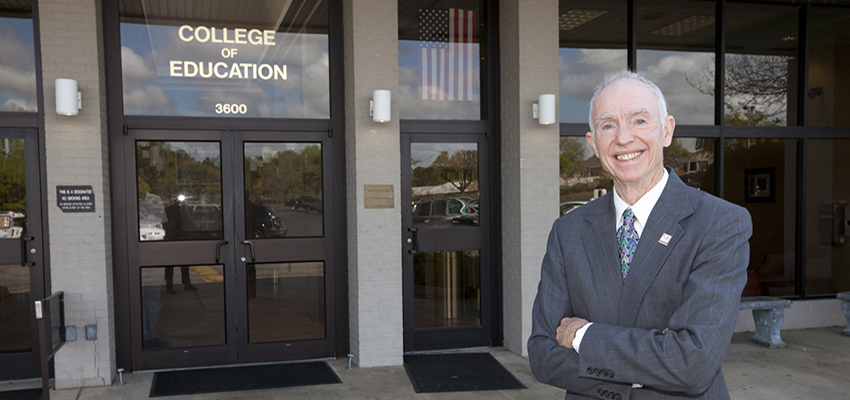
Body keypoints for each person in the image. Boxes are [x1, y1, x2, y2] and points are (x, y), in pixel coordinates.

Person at [528, 70, 752, 400]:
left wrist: (584, 337)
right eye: (607, 126)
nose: (623, 138)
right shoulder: (569, 231)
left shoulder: (719, 224)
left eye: (639, 121)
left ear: (667, 131)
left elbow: (694, 363)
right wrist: (645, 372)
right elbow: (543, 355)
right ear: (593, 143)